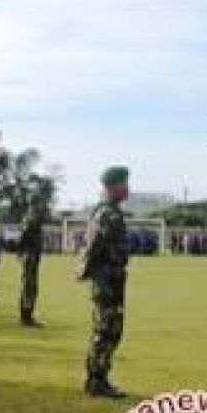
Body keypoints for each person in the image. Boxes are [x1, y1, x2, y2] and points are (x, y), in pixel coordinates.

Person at [76, 166, 131, 399]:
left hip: (112, 278)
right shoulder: (107, 214)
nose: (127, 188)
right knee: (105, 330)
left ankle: (99, 378)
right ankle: (96, 380)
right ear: (111, 187)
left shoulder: (111, 211)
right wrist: (85, 270)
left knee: (111, 330)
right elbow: (94, 245)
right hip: (106, 280)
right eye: (123, 183)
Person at [18, 196, 46, 327]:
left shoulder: (33, 218)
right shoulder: (31, 219)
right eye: (39, 204)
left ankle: (28, 315)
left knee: (31, 287)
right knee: (29, 287)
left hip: (32, 255)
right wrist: (23, 252)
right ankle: (26, 317)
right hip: (30, 256)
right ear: (34, 204)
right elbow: (23, 237)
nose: (41, 206)